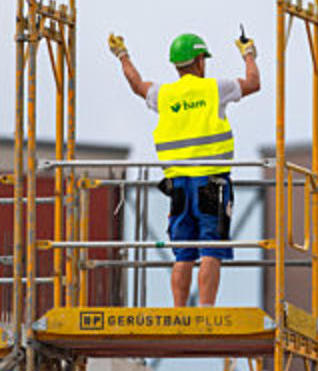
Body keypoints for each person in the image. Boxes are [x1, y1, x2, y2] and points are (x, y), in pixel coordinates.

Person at [108, 31, 260, 307]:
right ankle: (205, 310)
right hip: (212, 180)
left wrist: (122, 55)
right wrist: (248, 53)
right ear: (200, 60)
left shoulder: (163, 95)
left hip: (177, 185)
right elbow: (253, 83)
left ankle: (179, 312)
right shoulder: (215, 88)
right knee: (211, 248)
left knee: (183, 254)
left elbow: (137, 85)